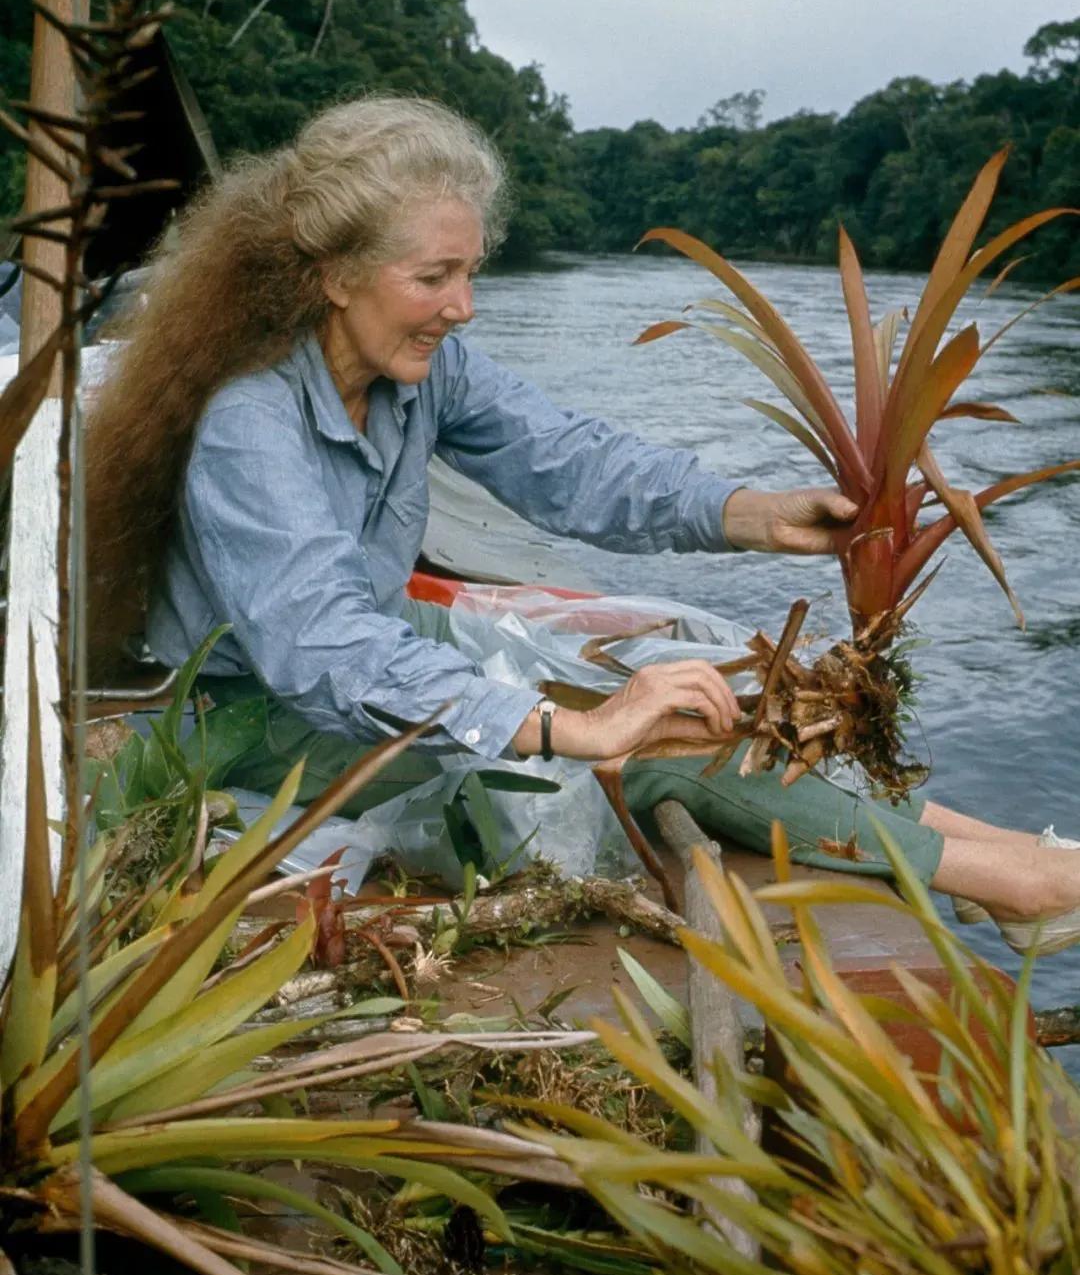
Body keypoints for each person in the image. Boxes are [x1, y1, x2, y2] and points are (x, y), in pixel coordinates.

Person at [85, 95, 1080, 956]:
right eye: (434, 277)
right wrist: (576, 725)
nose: (463, 306)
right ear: (335, 275)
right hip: (242, 715)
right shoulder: (249, 423)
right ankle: (1015, 885)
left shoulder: (415, 373)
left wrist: (751, 514)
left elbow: (568, 461)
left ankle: (993, 849)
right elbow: (322, 648)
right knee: (641, 743)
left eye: (472, 272)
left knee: (678, 691)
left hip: (375, 643)